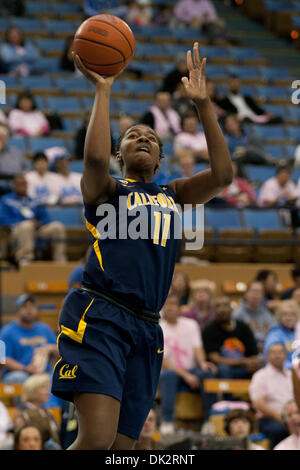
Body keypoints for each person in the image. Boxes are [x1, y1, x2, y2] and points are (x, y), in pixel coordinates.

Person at [50, 42, 233, 450]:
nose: (143, 139)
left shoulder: (173, 193)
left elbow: (222, 175)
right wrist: (103, 90)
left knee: (122, 450)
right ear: (120, 151)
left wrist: (203, 105)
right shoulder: (107, 190)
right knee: (95, 442)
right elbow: (94, 162)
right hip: (101, 316)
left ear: (161, 156)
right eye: (133, 135)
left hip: (147, 327)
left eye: (151, 137)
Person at [159, 292, 217, 435]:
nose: (170, 308)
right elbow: (162, 361)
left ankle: (209, 420)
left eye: (173, 304)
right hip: (171, 372)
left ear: (180, 307)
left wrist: (203, 363)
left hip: (191, 370)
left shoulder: (191, 325)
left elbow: (198, 348)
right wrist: (186, 376)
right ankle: (167, 421)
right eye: (167, 304)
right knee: (169, 375)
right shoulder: (159, 327)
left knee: (207, 373)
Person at [0, 174, 67, 265]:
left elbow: (46, 217)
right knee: (26, 226)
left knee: (57, 226)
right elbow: (3, 220)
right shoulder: (6, 200)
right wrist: (23, 222)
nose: (22, 186)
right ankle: (25, 259)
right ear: (14, 186)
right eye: (19, 184)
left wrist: (40, 223)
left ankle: (60, 261)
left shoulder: (34, 200)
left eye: (24, 184)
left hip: (37, 230)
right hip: (15, 231)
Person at [0, 294, 59, 384]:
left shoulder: (45, 329)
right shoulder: (7, 331)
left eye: (32, 306)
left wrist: (49, 348)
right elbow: (3, 359)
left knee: (59, 378)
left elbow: (59, 350)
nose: (29, 310)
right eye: (25, 306)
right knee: (19, 378)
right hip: (19, 372)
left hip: (44, 372)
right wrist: (26, 369)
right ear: (18, 310)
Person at [202, 296, 262, 379]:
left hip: (244, 368)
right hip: (223, 370)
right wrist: (244, 361)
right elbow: (215, 359)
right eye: (218, 306)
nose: (222, 309)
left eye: (225, 305)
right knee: (223, 369)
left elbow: (253, 354)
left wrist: (253, 363)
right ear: (214, 310)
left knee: (261, 368)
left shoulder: (243, 327)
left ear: (231, 308)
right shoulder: (209, 330)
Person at [249, 342, 293, 448]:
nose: (277, 355)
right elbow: (258, 403)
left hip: (292, 417)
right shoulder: (261, 376)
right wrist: (279, 417)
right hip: (269, 419)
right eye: (273, 352)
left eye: (280, 352)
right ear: (268, 356)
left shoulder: (292, 375)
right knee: (278, 430)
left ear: (286, 355)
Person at [14, 374, 61, 449]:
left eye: (48, 388)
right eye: (43, 388)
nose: (48, 392)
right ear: (32, 389)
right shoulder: (23, 413)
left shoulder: (47, 412)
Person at [218, 75, 282, 124]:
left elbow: (256, 109)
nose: (235, 85)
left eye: (236, 82)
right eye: (232, 82)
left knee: (278, 119)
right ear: (228, 84)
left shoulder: (247, 98)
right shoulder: (224, 101)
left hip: (254, 117)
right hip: (241, 120)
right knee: (246, 119)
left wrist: (266, 113)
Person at [233, 281, 275, 353]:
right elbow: (235, 338)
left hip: (266, 351)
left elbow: (273, 333)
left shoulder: (267, 314)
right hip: (245, 352)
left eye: (260, 292)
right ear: (246, 294)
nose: (256, 295)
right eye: (254, 291)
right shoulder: (237, 314)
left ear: (263, 296)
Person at [264, 300, 300, 370]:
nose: (289, 318)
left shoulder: (298, 331)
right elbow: (273, 359)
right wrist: (296, 367)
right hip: (282, 372)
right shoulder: (274, 334)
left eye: (292, 314)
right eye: (285, 314)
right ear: (279, 316)